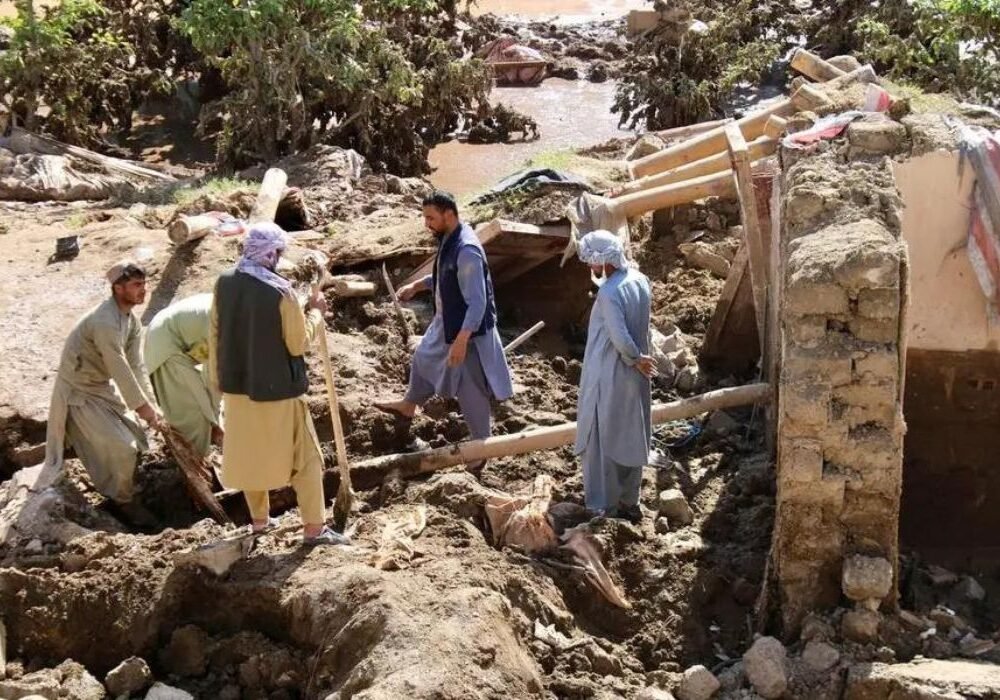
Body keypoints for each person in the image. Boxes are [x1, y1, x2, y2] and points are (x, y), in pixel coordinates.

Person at [208, 222, 347, 545]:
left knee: (250, 456)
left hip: (237, 389)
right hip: (279, 392)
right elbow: (298, 344)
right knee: (308, 458)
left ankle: (259, 522)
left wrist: (218, 381)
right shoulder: (281, 292)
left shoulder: (224, 283)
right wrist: (316, 313)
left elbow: (214, 333)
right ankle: (314, 529)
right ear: (270, 254)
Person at [374, 191, 513, 456]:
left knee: (470, 389)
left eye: (431, 218)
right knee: (423, 357)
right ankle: (409, 403)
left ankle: (481, 447)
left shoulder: (468, 250)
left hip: (468, 332)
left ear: (449, 215)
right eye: (425, 217)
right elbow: (446, 275)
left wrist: (461, 341)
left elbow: (478, 303)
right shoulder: (449, 237)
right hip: (446, 323)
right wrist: (419, 285)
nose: (427, 223)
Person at [43, 260, 162, 519]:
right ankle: (122, 500)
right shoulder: (105, 322)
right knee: (121, 446)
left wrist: (152, 406)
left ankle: (128, 487)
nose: (143, 290)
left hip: (100, 387)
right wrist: (142, 408)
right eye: (136, 285)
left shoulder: (130, 321)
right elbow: (119, 367)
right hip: (80, 391)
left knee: (136, 435)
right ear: (118, 289)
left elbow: (136, 365)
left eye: (144, 284)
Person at [574, 230, 655, 522]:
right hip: (636, 375)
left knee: (602, 436)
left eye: (592, 263)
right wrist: (641, 361)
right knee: (631, 431)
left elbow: (619, 337)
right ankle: (629, 500)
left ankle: (603, 505)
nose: (590, 269)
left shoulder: (609, 293)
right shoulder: (640, 280)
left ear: (603, 261)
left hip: (609, 371)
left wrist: (633, 358)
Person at [144, 293, 222, 457]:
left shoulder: (236, 308)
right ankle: (194, 466)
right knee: (192, 413)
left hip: (187, 340)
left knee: (206, 402)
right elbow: (218, 375)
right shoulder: (228, 320)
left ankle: (206, 448)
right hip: (165, 344)